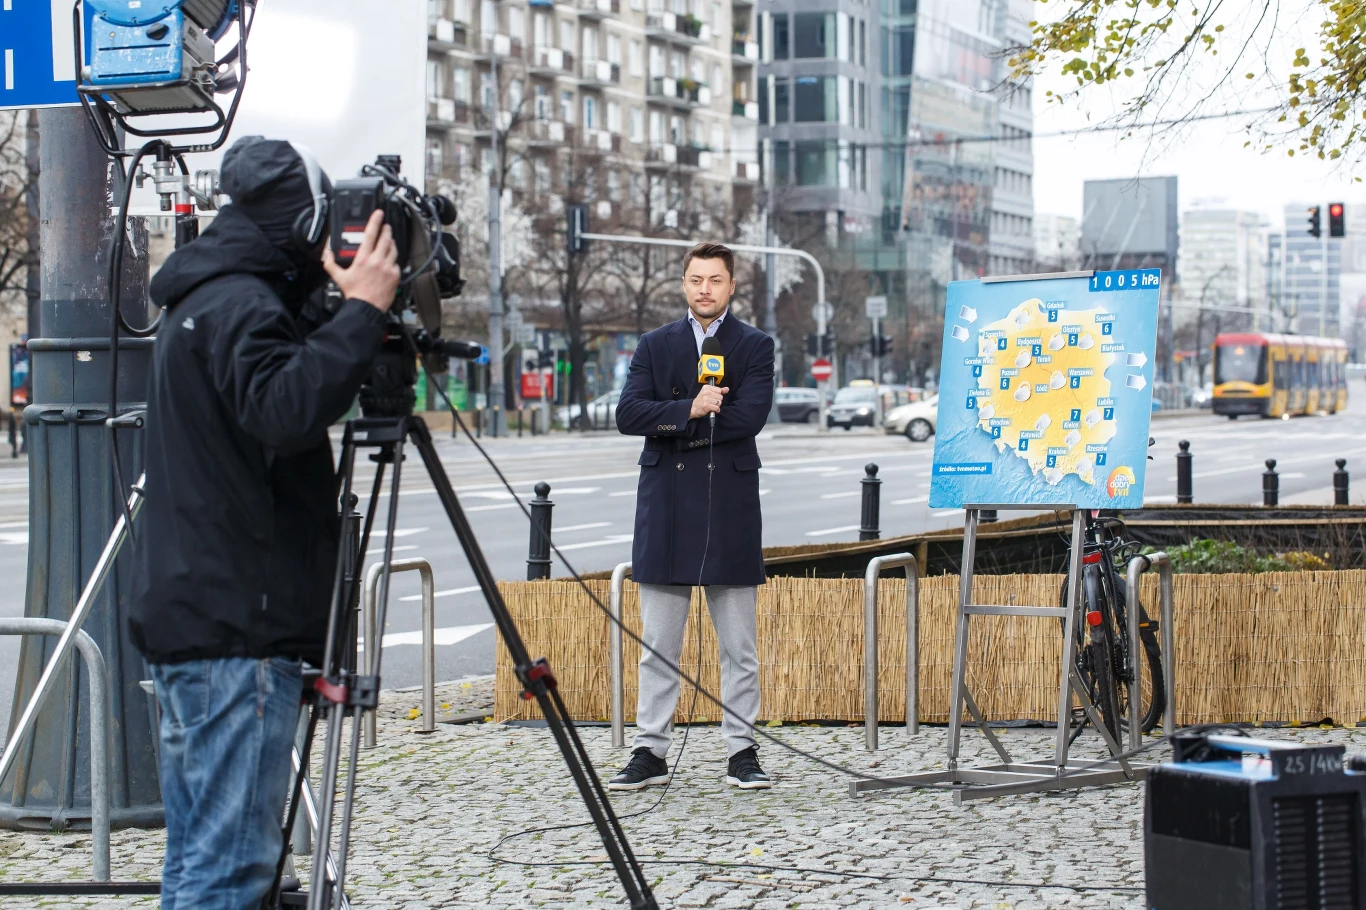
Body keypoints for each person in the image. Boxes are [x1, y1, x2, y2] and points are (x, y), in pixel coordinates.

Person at [127, 136, 400, 909]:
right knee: (230, 873)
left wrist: (330, 316)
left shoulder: (204, 299)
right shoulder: (240, 305)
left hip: (202, 624)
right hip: (235, 634)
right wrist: (362, 313)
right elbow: (285, 411)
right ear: (304, 223)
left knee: (198, 862)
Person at [610, 241, 775, 791]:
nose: (705, 288)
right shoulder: (655, 345)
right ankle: (650, 750)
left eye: (716, 280)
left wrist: (683, 419)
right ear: (684, 284)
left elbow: (750, 416)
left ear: (732, 287)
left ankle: (742, 750)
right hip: (666, 506)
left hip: (728, 503)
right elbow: (628, 413)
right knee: (658, 645)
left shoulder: (754, 345)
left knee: (739, 646)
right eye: (696, 279)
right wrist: (690, 408)